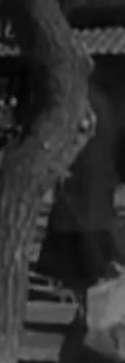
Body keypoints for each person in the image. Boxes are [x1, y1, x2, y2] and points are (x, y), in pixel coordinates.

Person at [36, 82, 125, 319]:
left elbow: (76, 138)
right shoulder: (103, 101)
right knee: (90, 239)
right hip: (96, 184)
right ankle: (85, 291)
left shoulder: (80, 102)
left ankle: (85, 296)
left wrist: (58, 165)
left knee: (82, 244)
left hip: (81, 185)